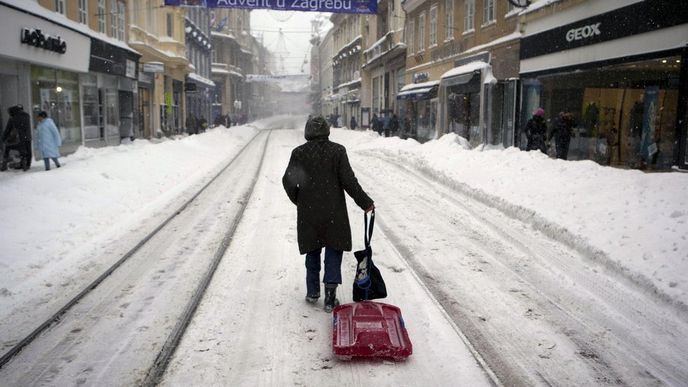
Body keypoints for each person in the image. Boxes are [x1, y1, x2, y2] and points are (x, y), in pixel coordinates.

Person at [282, 116, 375, 312]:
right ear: (327, 130)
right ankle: (330, 297)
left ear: (308, 131)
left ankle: (313, 291)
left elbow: (288, 181)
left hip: (309, 212)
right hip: (334, 211)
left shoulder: (299, 153)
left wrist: (299, 200)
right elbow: (349, 181)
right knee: (333, 250)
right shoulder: (337, 151)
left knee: (312, 249)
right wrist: (365, 203)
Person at [1, 105, 32, 171]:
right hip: (27, 137)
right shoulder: (27, 116)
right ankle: (27, 165)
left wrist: (3, 138)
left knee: (8, 147)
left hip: (18, 138)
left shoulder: (13, 118)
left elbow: (8, 130)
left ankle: (4, 165)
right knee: (27, 151)